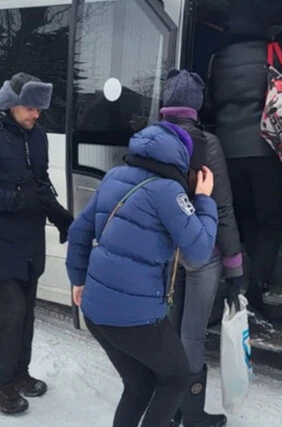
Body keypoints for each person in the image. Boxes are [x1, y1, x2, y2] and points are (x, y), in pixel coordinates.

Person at [66, 121, 218, 427]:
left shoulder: (113, 177)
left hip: (96, 312)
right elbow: (200, 251)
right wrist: (204, 199)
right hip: (136, 318)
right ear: (179, 158)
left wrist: (78, 280)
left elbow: (78, 231)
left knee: (139, 385)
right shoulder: (168, 191)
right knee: (176, 377)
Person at [0, 72, 74, 415]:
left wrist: (61, 216)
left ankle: (19, 374)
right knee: (10, 316)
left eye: (40, 108)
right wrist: (13, 199)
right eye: (30, 107)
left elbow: (40, 185)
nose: (36, 114)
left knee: (26, 315)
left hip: (29, 242)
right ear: (10, 103)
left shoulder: (36, 136)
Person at [159, 69, 243, 427]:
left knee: (168, 328)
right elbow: (221, 207)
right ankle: (191, 412)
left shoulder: (150, 139)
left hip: (167, 253)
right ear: (196, 107)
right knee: (192, 333)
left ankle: (168, 406)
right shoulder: (208, 144)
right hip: (203, 253)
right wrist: (235, 267)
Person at [208, 0, 282, 310]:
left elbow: (210, 104)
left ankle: (241, 276)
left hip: (227, 152)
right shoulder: (271, 52)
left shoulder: (217, 58)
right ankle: (258, 287)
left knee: (243, 217)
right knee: (272, 218)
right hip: (265, 150)